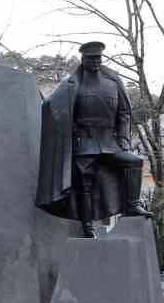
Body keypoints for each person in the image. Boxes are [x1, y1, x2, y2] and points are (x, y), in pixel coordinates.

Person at [36, 39, 151, 238]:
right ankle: (87, 226)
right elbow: (53, 107)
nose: (96, 62)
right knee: (85, 185)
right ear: (83, 59)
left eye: (98, 58)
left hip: (110, 144)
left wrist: (123, 138)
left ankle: (132, 206)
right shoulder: (72, 83)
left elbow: (124, 113)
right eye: (92, 58)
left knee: (135, 162)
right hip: (84, 144)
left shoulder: (113, 82)